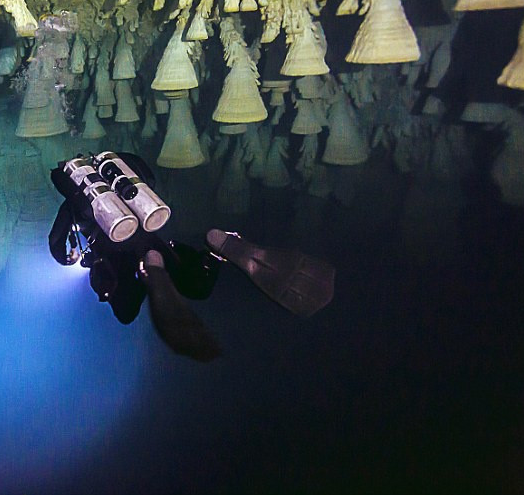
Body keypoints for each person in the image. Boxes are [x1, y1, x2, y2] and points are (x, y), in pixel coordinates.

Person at [49, 153, 335, 362]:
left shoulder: (74, 204)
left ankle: (153, 269)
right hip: (151, 236)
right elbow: (146, 175)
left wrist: (68, 258)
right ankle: (215, 247)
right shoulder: (118, 178)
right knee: (193, 283)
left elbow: (55, 243)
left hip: (111, 255)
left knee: (125, 311)